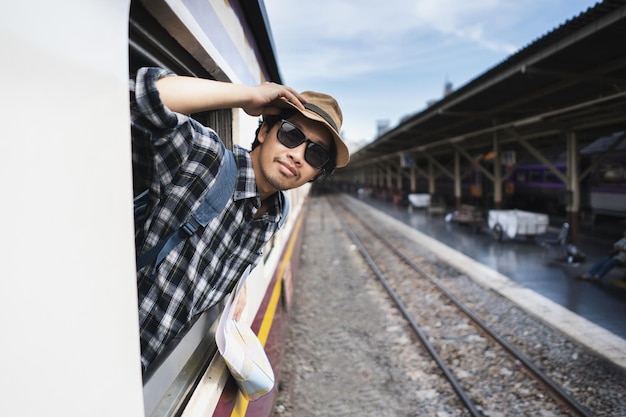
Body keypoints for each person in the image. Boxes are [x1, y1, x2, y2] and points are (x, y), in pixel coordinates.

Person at [130, 67, 350, 370]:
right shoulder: (206, 161)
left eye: (315, 155)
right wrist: (248, 95)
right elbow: (143, 95)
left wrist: (238, 280)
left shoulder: (275, 213)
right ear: (263, 132)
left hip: (157, 378)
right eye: (291, 134)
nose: (298, 155)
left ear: (316, 173)